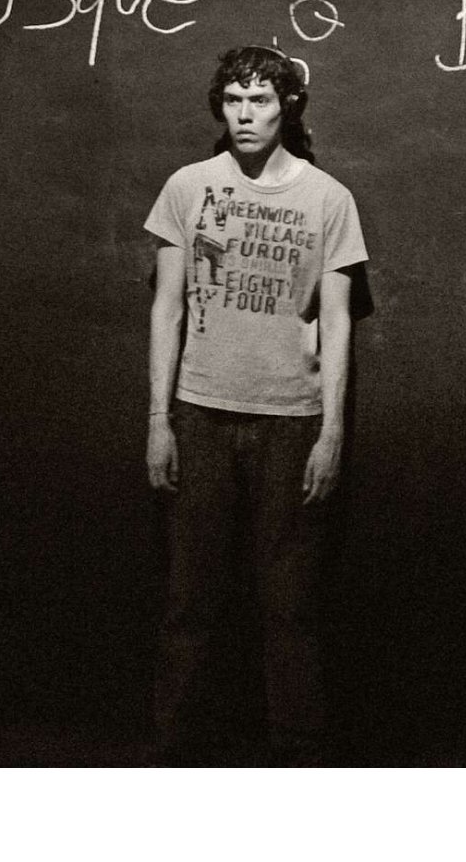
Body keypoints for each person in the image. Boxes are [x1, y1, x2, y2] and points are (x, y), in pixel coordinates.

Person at [144, 45, 370, 766]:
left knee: (290, 606)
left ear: (287, 107)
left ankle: (296, 756)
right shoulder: (187, 187)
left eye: (260, 101)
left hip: (291, 421)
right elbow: (166, 309)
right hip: (202, 414)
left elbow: (338, 323)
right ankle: (177, 751)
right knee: (190, 601)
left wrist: (333, 433)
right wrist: (158, 421)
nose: (245, 115)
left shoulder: (328, 198)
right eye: (234, 101)